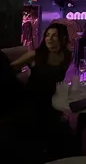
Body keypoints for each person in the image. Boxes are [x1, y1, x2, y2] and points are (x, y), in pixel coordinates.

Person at [9, 23, 74, 160]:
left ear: (62, 38)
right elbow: (9, 69)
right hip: (32, 102)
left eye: (54, 35)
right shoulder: (35, 55)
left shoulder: (67, 56)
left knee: (63, 137)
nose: (49, 39)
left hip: (53, 101)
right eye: (47, 35)